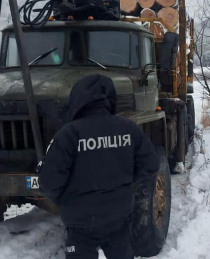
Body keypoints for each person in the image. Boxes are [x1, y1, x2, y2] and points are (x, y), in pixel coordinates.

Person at [39, 74, 160, 259]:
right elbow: (151, 164)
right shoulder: (128, 128)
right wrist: (126, 186)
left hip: (80, 225)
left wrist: (65, 200)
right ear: (110, 98)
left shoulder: (69, 134)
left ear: (77, 99)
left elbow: (48, 183)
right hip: (118, 218)